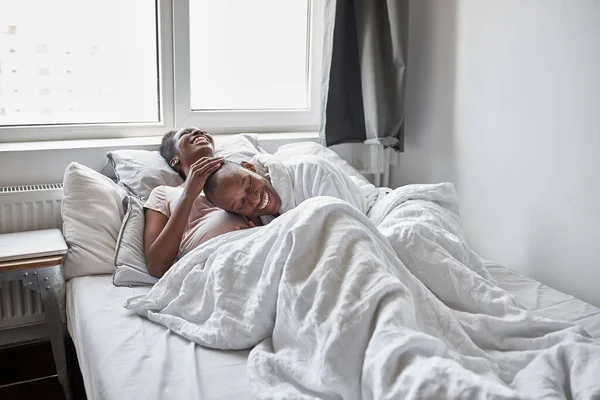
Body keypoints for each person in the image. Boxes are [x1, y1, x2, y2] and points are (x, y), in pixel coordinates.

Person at [144, 127, 254, 278]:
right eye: (185, 133)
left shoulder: (239, 176)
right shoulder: (164, 193)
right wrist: (188, 194)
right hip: (213, 267)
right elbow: (156, 267)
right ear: (175, 159)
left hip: (253, 249)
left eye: (202, 131)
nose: (198, 133)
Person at [203, 155, 372, 222]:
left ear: (250, 167)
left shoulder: (312, 172)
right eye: (241, 204)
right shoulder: (258, 221)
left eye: (248, 186)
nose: (255, 199)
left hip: (370, 209)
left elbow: (349, 227)